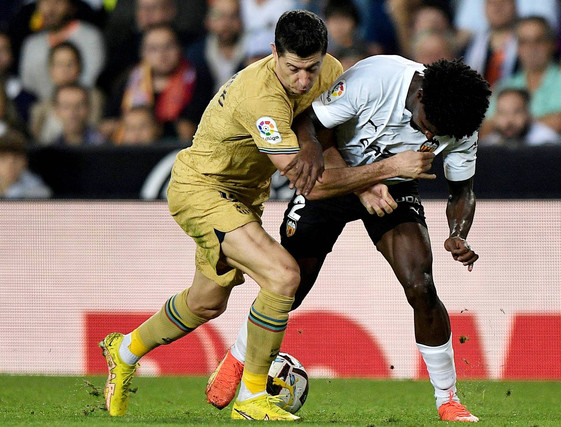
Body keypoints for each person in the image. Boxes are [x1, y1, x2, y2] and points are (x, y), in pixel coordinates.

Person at [97, 10, 436, 421]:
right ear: (274, 52)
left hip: (243, 195)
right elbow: (311, 183)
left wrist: (362, 182)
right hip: (202, 188)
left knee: (205, 304)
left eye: (311, 68)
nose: (303, 80)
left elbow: (325, 141)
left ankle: (124, 350)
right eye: (293, 68)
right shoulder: (261, 99)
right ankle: (253, 397)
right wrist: (385, 170)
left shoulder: (330, 70)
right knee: (284, 275)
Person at [206, 56, 491, 423]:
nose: (429, 139)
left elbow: (461, 190)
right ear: (419, 94)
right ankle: (238, 358)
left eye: (438, 136)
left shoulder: (460, 122)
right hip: (333, 175)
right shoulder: (375, 79)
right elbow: (310, 126)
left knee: (420, 284)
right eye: (426, 127)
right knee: (288, 285)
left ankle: (447, 398)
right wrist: (362, 183)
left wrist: (457, 233)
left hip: (395, 187)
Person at [101, 24, 213, 142]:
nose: (162, 54)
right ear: (143, 53)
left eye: (168, 46)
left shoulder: (197, 80)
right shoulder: (129, 80)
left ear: (179, 48)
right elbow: (108, 123)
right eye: (154, 49)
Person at [481, 16, 561, 137]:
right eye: (524, 42)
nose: (531, 48)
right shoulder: (504, 86)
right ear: (518, 48)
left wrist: (508, 125)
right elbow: (485, 129)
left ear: (552, 44)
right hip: (508, 154)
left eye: (538, 40)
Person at [463, 0, 519, 88]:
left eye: (503, 2)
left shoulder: (525, 44)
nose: (497, 8)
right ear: (484, 8)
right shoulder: (470, 45)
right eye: (492, 3)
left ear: (515, 6)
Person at [480, 88, 559, 146]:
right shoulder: (488, 145)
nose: (509, 120)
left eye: (516, 112)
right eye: (502, 113)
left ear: (528, 114)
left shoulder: (547, 143)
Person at [0, 128, 52, 199]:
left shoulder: (38, 193)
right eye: (4, 159)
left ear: (25, 161)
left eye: (16, 159)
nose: (10, 166)